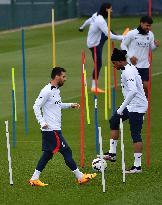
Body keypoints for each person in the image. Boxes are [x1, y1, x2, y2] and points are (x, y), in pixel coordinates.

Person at [29, 67, 96, 186]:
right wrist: (42, 122)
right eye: (63, 77)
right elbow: (36, 106)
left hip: (55, 129)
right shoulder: (46, 90)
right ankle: (80, 177)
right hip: (50, 129)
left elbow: (57, 105)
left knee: (48, 154)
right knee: (66, 151)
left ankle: (34, 178)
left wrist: (70, 105)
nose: (65, 79)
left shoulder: (56, 90)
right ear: (57, 77)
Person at [102, 48, 148, 173]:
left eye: (114, 63)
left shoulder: (128, 72)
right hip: (131, 105)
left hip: (137, 106)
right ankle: (112, 153)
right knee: (114, 121)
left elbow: (133, 91)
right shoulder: (127, 68)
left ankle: (137, 166)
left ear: (120, 62)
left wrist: (121, 108)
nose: (113, 66)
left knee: (135, 135)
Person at [79, 3, 123, 93]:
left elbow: (88, 20)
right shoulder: (101, 21)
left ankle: (120, 37)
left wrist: (82, 27)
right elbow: (109, 35)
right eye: (110, 9)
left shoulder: (96, 15)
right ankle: (94, 87)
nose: (112, 11)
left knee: (108, 30)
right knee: (98, 64)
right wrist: (122, 37)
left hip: (97, 39)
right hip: (94, 44)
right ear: (106, 10)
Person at [121, 15, 160, 98]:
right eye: (147, 25)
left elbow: (151, 48)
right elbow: (123, 45)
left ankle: (143, 103)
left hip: (144, 65)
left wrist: (155, 46)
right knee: (133, 88)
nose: (148, 27)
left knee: (146, 86)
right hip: (132, 65)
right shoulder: (132, 33)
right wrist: (130, 56)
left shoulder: (150, 34)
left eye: (150, 26)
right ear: (141, 23)